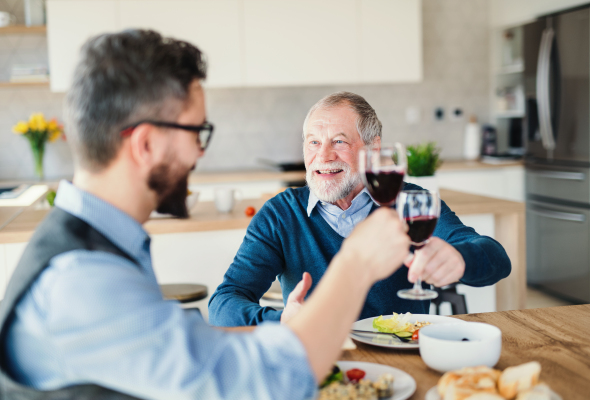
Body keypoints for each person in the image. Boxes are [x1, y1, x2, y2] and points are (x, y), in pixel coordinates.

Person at [0, 31, 413, 400]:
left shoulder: (96, 247)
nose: (201, 152)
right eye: (196, 132)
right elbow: (263, 382)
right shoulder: (83, 279)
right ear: (144, 145)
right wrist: (356, 263)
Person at [208, 91, 512, 327]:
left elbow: (496, 257)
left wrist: (460, 258)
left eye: (338, 141)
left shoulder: (409, 201)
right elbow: (224, 303)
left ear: (373, 148)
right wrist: (280, 321)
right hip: (322, 362)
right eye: (313, 142)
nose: (323, 156)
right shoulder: (281, 214)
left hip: (401, 358)